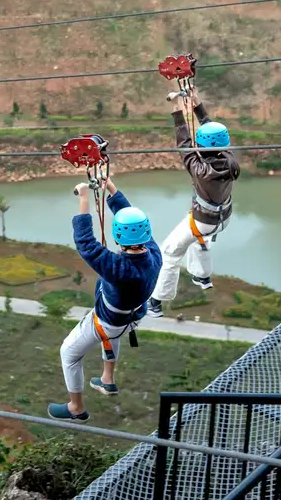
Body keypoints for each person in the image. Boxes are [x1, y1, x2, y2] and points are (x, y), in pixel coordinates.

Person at [48, 177, 161, 423]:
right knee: (111, 334)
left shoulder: (118, 268)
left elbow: (86, 244)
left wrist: (84, 198)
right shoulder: (154, 253)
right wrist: (111, 189)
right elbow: (132, 222)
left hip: (109, 320)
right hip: (131, 318)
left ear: (118, 238)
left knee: (68, 352)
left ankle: (75, 408)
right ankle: (107, 379)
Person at [149, 87, 240, 318]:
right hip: (223, 217)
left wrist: (175, 107)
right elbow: (210, 130)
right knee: (198, 239)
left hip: (203, 220)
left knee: (168, 253)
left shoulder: (200, 169)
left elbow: (184, 142)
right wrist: (197, 104)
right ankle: (202, 276)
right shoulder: (229, 159)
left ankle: (157, 301)